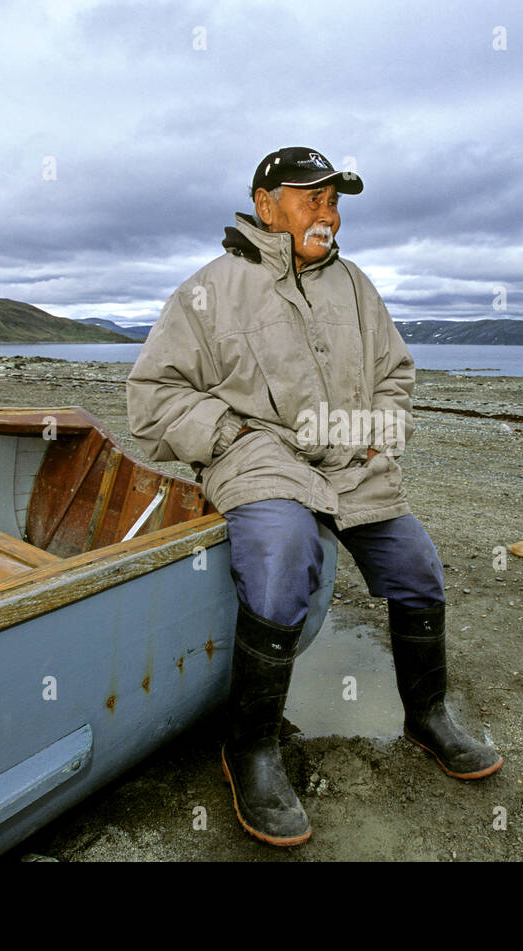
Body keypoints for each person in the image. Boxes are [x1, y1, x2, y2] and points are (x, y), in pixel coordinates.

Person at [126, 147, 502, 847]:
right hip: (260, 456)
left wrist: (380, 432)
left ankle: (429, 717)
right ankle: (252, 750)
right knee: (283, 554)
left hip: (350, 459)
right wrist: (229, 430)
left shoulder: (356, 286)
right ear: (266, 204)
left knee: (418, 561)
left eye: (334, 201)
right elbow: (150, 398)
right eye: (311, 199)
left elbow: (396, 373)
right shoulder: (208, 291)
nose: (327, 215)